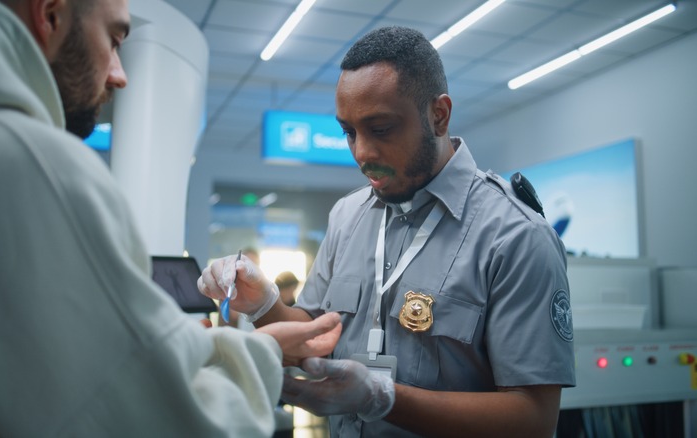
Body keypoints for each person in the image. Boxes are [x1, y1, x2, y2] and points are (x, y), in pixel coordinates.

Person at [0, 0, 342, 436]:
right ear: (50, 15)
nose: (120, 75)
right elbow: (166, 417)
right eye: (114, 41)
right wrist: (263, 351)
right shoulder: (33, 165)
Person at [199, 26, 575, 437]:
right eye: (349, 132)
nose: (361, 153)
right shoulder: (348, 215)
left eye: (380, 129)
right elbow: (312, 337)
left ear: (439, 115)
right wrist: (263, 302)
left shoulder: (516, 236)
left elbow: (533, 420)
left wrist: (384, 398)